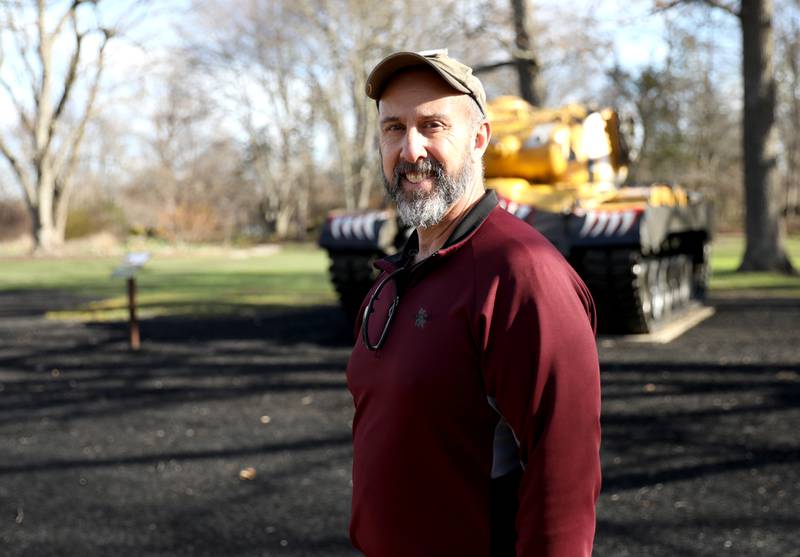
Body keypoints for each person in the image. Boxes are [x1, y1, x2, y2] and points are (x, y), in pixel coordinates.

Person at [346, 49, 601, 557]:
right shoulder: (397, 275)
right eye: (394, 128)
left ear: (480, 138)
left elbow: (564, 478)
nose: (411, 148)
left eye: (433, 125)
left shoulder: (521, 275)